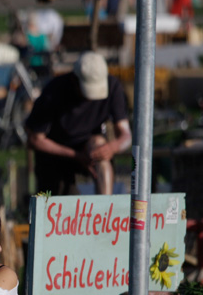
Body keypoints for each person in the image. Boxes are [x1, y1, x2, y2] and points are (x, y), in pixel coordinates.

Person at [25, 51, 132, 195]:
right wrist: (76, 155)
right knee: (61, 203)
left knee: (100, 149)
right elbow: (34, 139)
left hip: (89, 148)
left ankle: (105, 209)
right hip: (57, 154)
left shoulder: (113, 87)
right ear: (75, 80)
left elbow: (126, 135)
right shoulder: (54, 91)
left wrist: (112, 147)